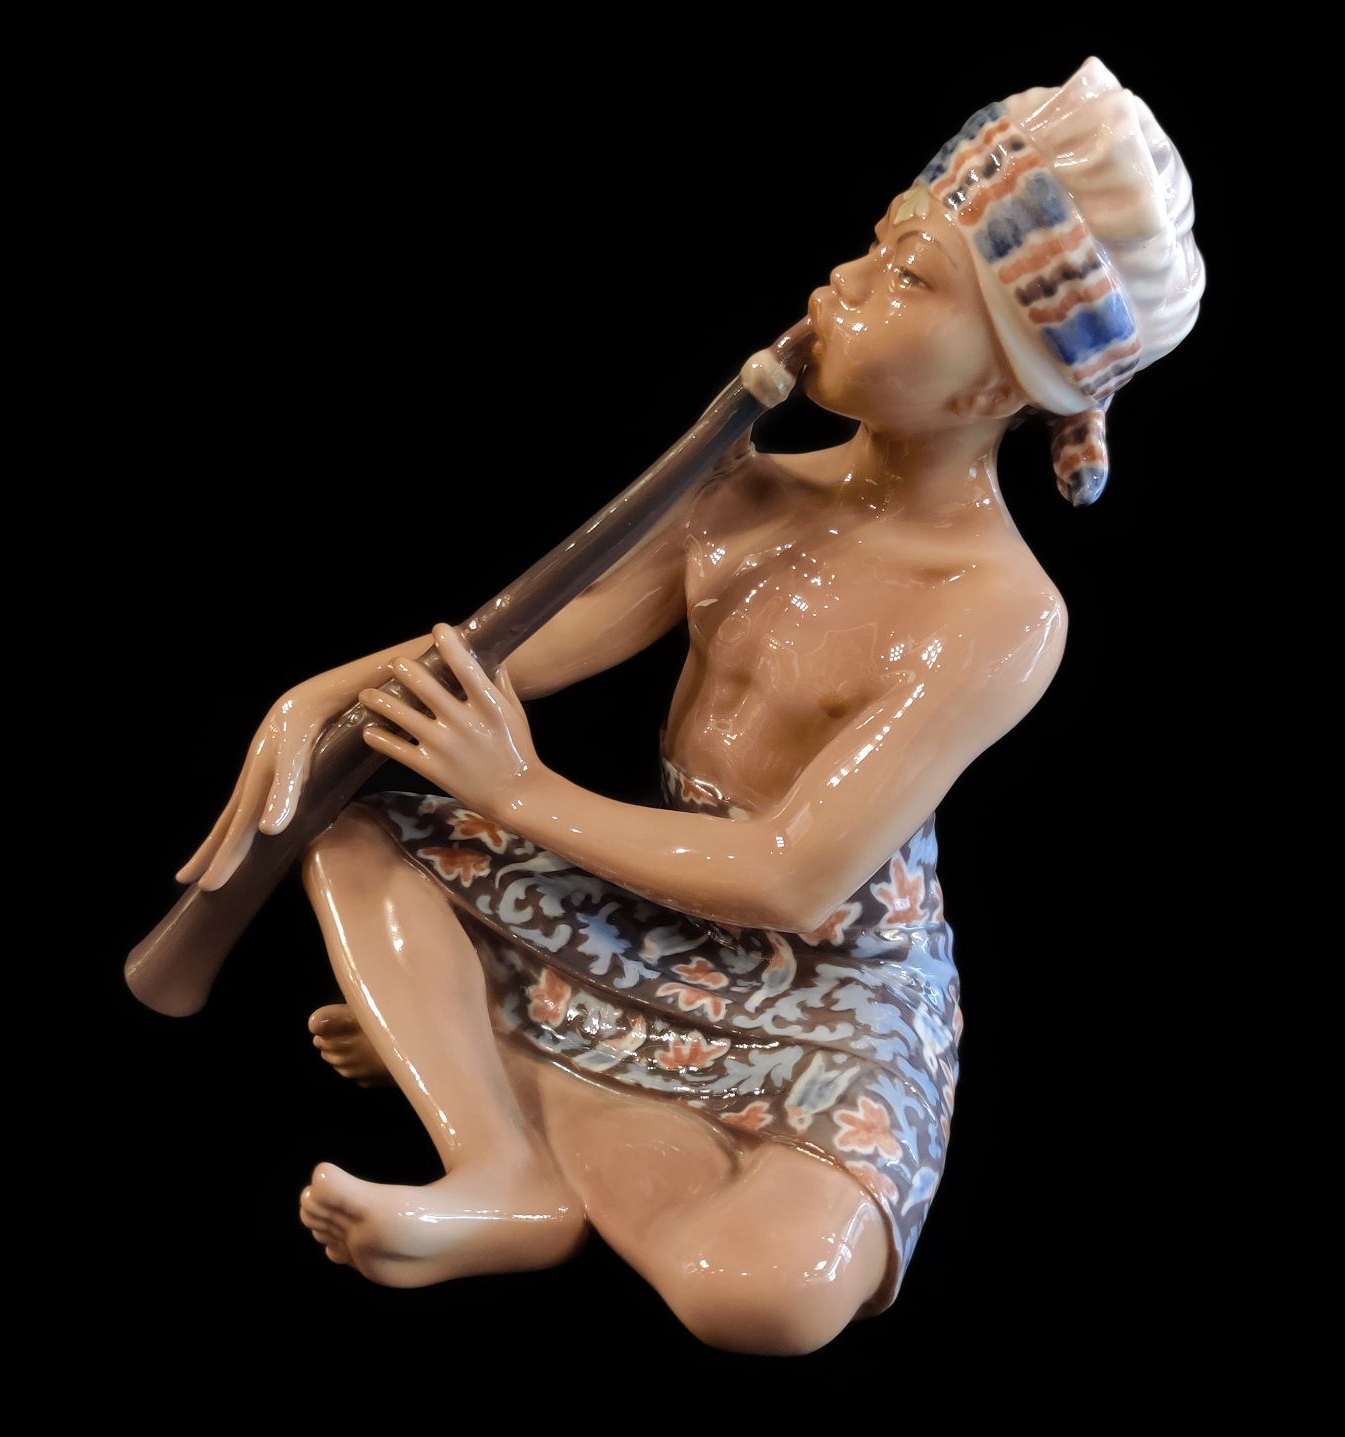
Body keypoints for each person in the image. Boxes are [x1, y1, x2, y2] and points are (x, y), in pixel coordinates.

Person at [173, 55, 1204, 1354]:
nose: (846, 282)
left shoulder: (997, 613)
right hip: (652, 903)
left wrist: (522, 793)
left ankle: (511, 1040)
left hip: (830, 982)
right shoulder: (747, 491)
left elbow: (788, 875)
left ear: (999, 384)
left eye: (910, 280)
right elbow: (520, 655)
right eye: (876, 244)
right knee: (358, 832)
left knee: (765, 1296)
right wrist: (314, 699)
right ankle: (501, 1162)